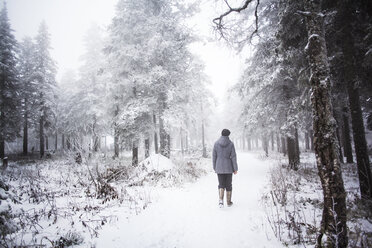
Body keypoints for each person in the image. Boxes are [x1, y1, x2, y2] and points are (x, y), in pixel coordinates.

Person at [212, 129, 238, 208]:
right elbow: (233, 157)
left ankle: (220, 201)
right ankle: (228, 201)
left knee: (221, 184)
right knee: (228, 184)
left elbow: (214, 157)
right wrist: (235, 169)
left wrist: (215, 167)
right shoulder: (231, 144)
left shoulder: (216, 144)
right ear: (228, 135)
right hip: (228, 167)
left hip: (219, 167)